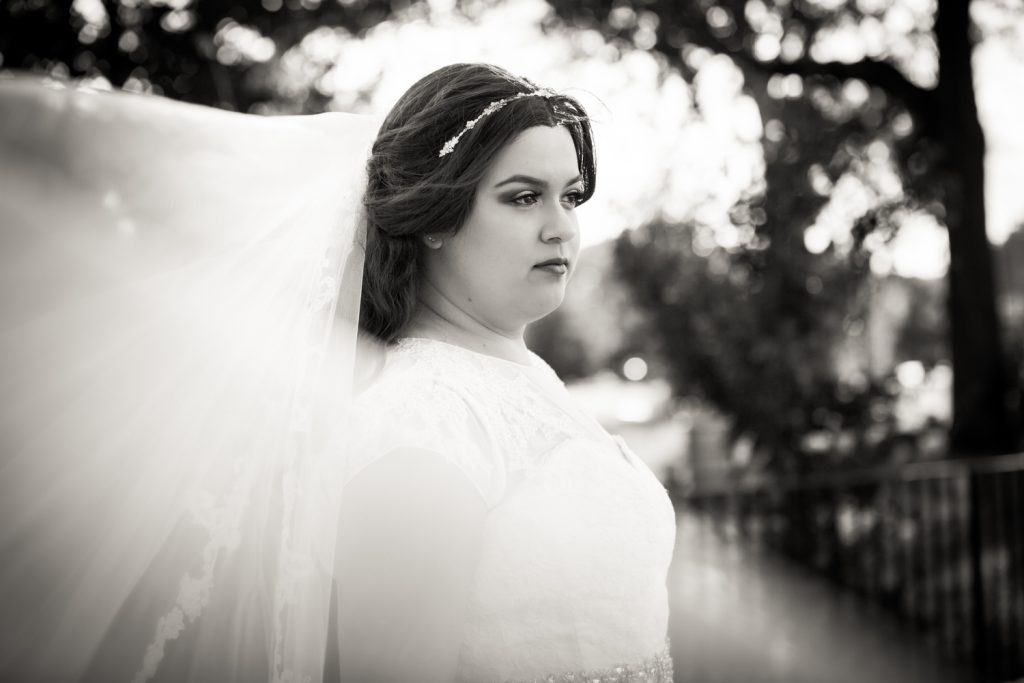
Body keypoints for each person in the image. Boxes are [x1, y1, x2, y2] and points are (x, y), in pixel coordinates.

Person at [0, 63, 675, 683]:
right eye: (524, 197)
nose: (562, 228)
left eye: (571, 196)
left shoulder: (526, 380)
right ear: (435, 216)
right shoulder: (422, 423)